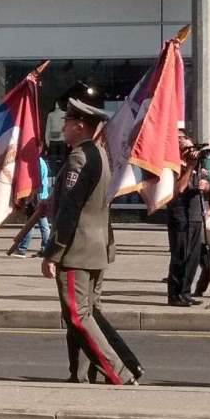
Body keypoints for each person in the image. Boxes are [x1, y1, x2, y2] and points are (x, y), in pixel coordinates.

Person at [42, 98, 141, 386]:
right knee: (87, 314)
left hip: (77, 249)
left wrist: (53, 252)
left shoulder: (79, 158)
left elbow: (70, 210)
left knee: (78, 314)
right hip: (97, 247)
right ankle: (83, 373)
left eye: (67, 123)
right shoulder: (102, 155)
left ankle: (118, 372)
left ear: (79, 125)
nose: (63, 127)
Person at [165, 128, 205, 308]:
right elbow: (178, 190)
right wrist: (189, 167)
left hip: (195, 213)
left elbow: (203, 185)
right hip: (179, 214)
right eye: (181, 140)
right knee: (180, 255)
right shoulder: (171, 165)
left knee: (193, 257)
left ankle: (186, 292)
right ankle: (174, 295)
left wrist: (207, 183)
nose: (186, 143)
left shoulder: (195, 164)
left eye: (187, 140)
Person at [14, 146, 51, 257]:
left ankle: (23, 248)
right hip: (40, 196)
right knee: (38, 223)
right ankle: (44, 248)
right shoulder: (41, 162)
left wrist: (32, 197)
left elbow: (37, 182)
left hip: (37, 197)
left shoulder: (37, 163)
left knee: (34, 223)